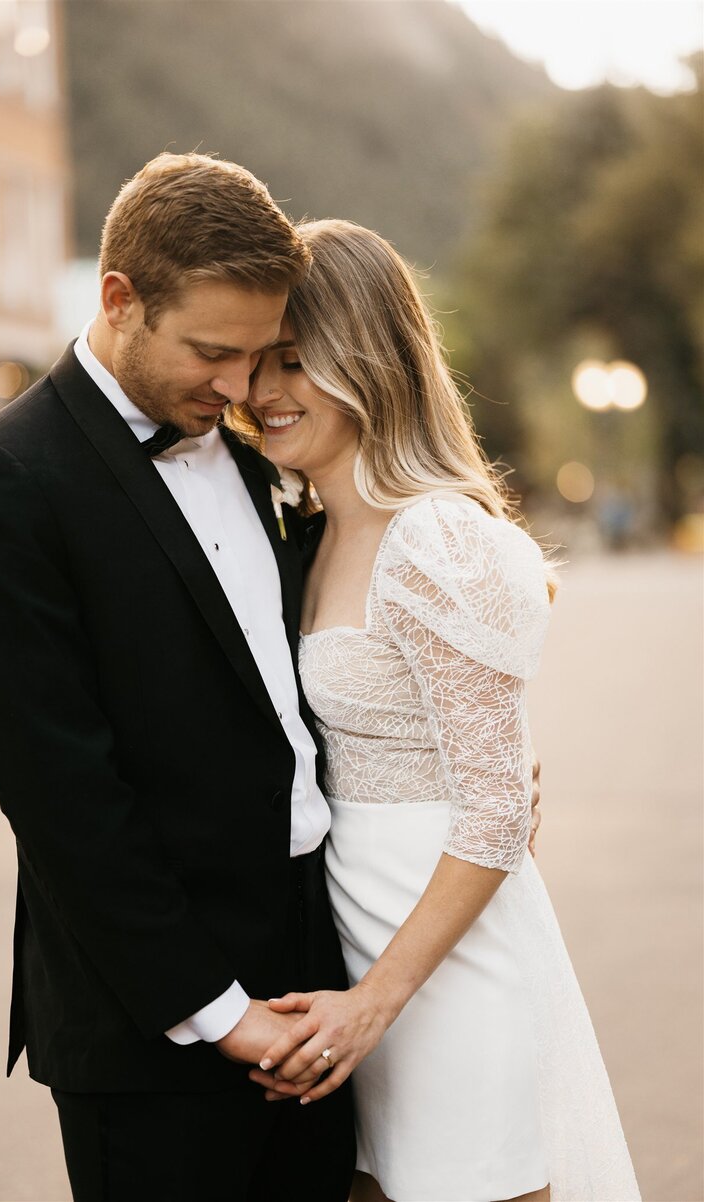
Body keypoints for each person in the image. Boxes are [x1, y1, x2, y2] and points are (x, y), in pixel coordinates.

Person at [0, 154, 359, 1202]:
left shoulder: (261, 461)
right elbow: (63, 796)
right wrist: (218, 1009)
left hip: (320, 969)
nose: (239, 387)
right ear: (119, 299)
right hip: (152, 1019)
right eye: (212, 351)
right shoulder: (0, 484)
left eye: (259, 356)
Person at [241, 219, 642, 1202]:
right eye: (258, 362)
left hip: (442, 981)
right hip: (353, 960)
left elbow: (497, 808)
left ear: (366, 359)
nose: (262, 392)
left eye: (295, 361)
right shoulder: (305, 531)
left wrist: (371, 1003)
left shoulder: (434, 540)